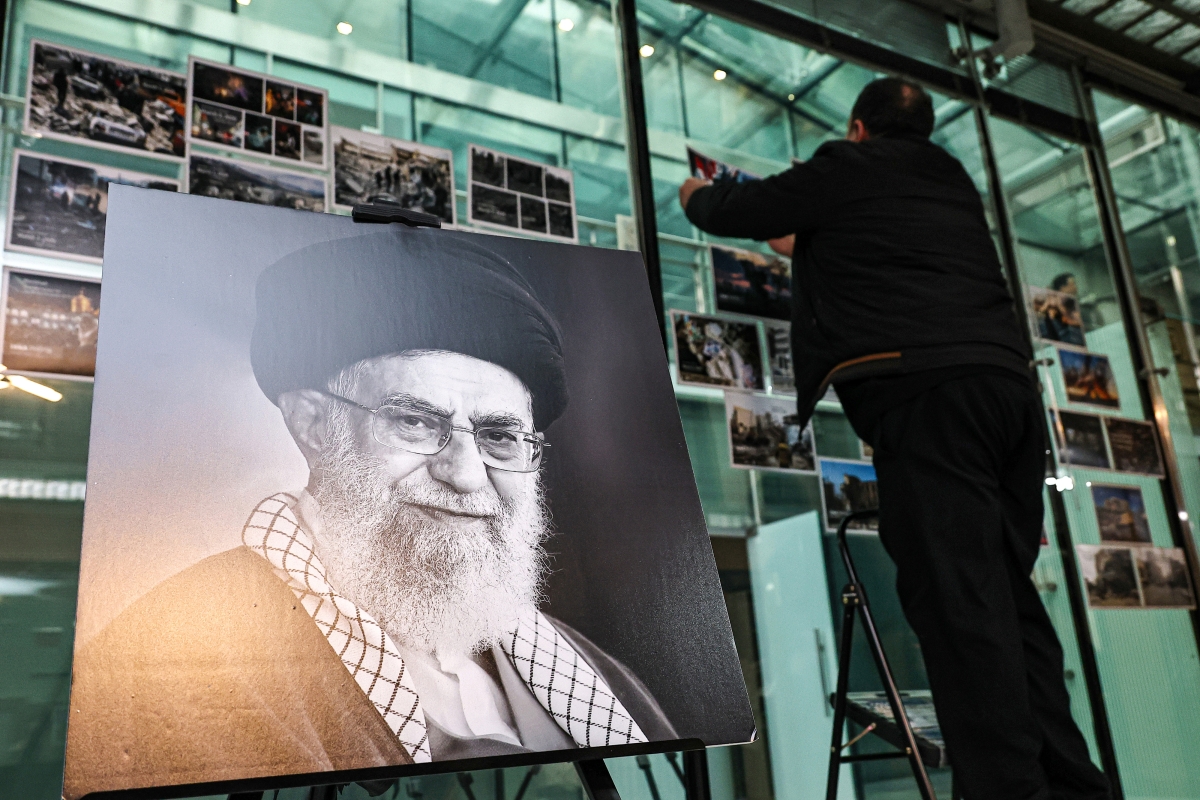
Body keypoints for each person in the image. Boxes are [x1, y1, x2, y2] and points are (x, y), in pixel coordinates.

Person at [63, 233, 675, 797]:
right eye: (415, 421)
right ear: (312, 425)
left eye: (499, 437)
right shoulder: (171, 663)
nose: (465, 474)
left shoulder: (594, 675)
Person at [678, 77, 1110, 800]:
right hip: (1007, 396)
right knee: (1007, 597)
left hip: (928, 397)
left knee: (957, 604)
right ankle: (1071, 785)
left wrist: (695, 193)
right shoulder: (949, 180)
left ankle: (1005, 791)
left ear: (856, 128)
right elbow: (869, 247)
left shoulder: (847, 165)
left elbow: (739, 210)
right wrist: (807, 240)